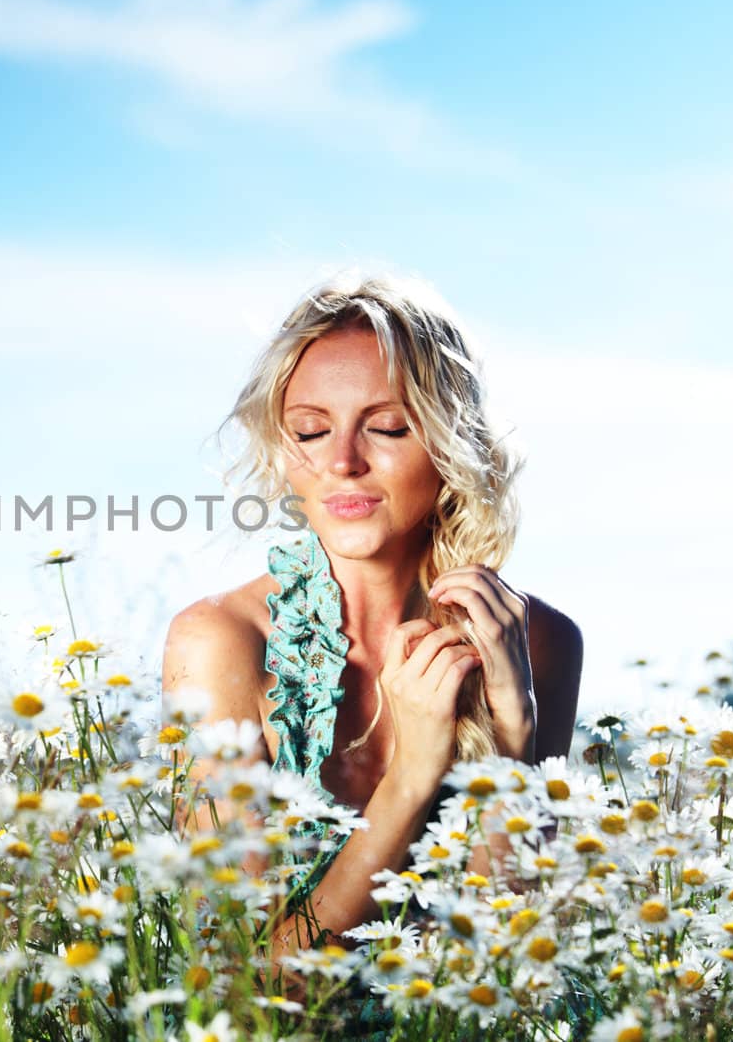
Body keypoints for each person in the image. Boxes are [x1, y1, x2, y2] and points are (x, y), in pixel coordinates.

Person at [161, 270, 584, 1000]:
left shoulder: (535, 640)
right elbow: (251, 986)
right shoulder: (221, 642)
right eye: (311, 430)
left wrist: (512, 738)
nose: (343, 461)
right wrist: (414, 778)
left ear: (453, 444)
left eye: (386, 427)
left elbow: (506, 971)